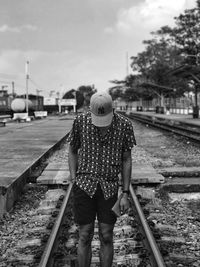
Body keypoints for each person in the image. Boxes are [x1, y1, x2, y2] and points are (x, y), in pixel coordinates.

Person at [68, 92, 136, 267]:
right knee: (85, 234)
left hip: (110, 187)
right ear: (90, 111)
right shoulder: (80, 122)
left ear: (112, 110)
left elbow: (126, 158)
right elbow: (72, 150)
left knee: (106, 235)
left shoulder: (124, 125)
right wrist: (74, 178)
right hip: (84, 186)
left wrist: (126, 192)